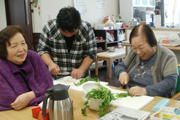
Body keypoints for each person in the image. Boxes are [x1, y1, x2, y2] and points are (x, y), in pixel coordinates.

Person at [115, 24, 179, 97]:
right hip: (130, 96)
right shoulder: (134, 53)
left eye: (141, 47)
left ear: (152, 43)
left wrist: (145, 91)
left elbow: (170, 82)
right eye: (134, 47)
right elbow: (120, 66)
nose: (138, 52)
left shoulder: (168, 56)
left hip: (154, 99)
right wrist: (122, 73)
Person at [0, 25, 53, 111]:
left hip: (41, 109)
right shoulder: (2, 66)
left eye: (23, 43)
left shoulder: (33, 57)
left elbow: (49, 86)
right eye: (14, 46)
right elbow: (12, 102)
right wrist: (43, 94)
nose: (21, 49)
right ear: (3, 50)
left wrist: (30, 96)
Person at [37, 6, 97, 79]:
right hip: (56, 78)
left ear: (79, 25)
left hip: (80, 78)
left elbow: (91, 53)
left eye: (72, 32)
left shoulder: (86, 28)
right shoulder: (49, 28)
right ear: (58, 26)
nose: (68, 34)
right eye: (64, 32)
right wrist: (50, 64)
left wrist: (81, 69)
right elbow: (42, 50)